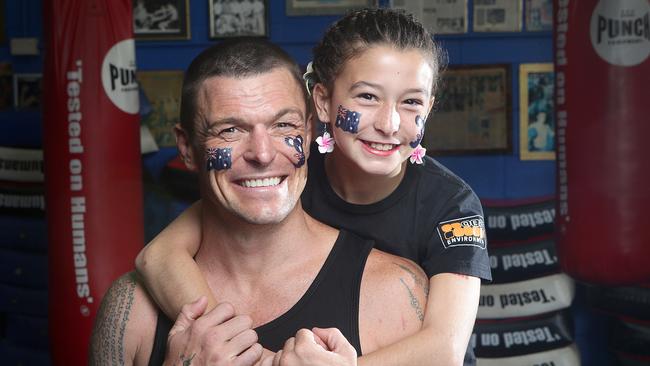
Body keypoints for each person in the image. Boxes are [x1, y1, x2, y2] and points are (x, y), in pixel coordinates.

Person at [137, 8, 492, 366]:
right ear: (322, 101)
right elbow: (157, 257)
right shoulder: (288, 174)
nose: (389, 123)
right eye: (367, 97)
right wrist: (241, 351)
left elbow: (445, 350)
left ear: (429, 109)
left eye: (411, 101)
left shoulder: (453, 205)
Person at [89, 38, 428, 366]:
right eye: (230, 130)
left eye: (283, 126)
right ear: (187, 148)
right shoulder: (132, 310)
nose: (263, 155)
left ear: (309, 133)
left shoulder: (393, 293)